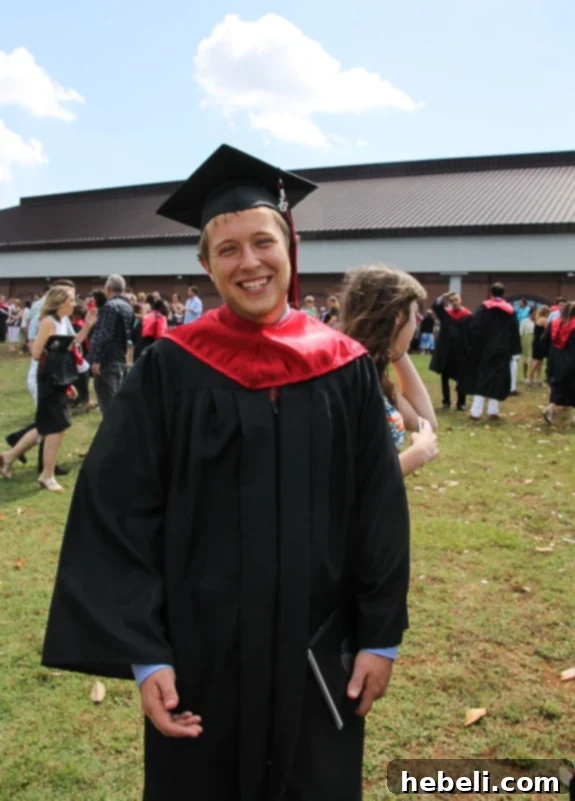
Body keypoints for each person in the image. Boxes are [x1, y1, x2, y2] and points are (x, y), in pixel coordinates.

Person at [42, 144, 410, 801]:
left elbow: (377, 509)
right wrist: (145, 651)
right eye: (228, 248)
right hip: (198, 648)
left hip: (318, 643)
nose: (250, 262)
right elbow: (116, 509)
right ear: (205, 265)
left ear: (289, 248)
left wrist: (379, 633)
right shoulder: (171, 369)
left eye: (262, 241)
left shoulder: (343, 366)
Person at [340, 264, 438, 477]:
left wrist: (396, 350)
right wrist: (418, 454)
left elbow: (424, 422)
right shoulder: (347, 376)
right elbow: (349, 482)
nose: (416, 324)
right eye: (414, 315)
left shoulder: (368, 369)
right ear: (398, 318)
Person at [0, 286, 78, 490]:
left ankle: (9, 457)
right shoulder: (48, 322)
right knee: (56, 426)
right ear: (60, 302)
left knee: (47, 425)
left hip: (59, 377)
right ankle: (47, 474)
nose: (74, 303)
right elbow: (35, 353)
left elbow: (70, 347)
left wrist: (86, 327)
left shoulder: (62, 321)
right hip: (47, 379)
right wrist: (55, 347)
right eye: (71, 300)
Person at [458, 282, 522, 421]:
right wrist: (514, 349)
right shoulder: (510, 310)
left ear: (491, 293)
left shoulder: (483, 307)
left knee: (482, 378)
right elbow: (514, 331)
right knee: (498, 379)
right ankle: (493, 411)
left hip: (484, 349)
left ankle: (476, 412)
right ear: (503, 293)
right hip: (503, 350)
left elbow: (474, 326)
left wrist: (474, 344)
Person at [89, 274, 134, 417]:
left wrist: (97, 359)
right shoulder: (128, 307)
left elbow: (104, 335)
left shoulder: (109, 306)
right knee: (116, 402)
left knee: (108, 407)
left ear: (107, 288)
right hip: (120, 359)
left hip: (107, 362)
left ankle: (112, 437)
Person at [430, 292, 471, 411]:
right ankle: (446, 401)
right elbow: (436, 305)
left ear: (461, 300)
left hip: (461, 352)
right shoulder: (446, 314)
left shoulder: (468, 316)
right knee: (444, 378)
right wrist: (443, 296)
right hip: (447, 352)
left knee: (462, 378)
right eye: (452, 301)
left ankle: (461, 402)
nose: (454, 303)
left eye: (456, 300)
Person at [542, 301, 575, 426]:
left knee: (556, 386)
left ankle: (550, 409)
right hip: (572, 361)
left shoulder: (553, 324)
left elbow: (543, 340)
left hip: (555, 361)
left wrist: (548, 354)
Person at [528, 305, 551, 386]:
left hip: (536, 341)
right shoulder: (544, 320)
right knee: (538, 361)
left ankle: (538, 379)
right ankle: (530, 378)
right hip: (540, 343)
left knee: (540, 361)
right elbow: (549, 330)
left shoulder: (538, 319)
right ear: (546, 312)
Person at [519, 308, 535, 383]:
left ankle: (530, 376)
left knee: (533, 359)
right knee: (525, 359)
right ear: (530, 313)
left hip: (534, 340)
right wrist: (521, 342)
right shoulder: (525, 321)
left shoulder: (536, 322)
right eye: (533, 313)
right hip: (526, 340)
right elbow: (521, 332)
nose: (534, 315)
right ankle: (524, 376)